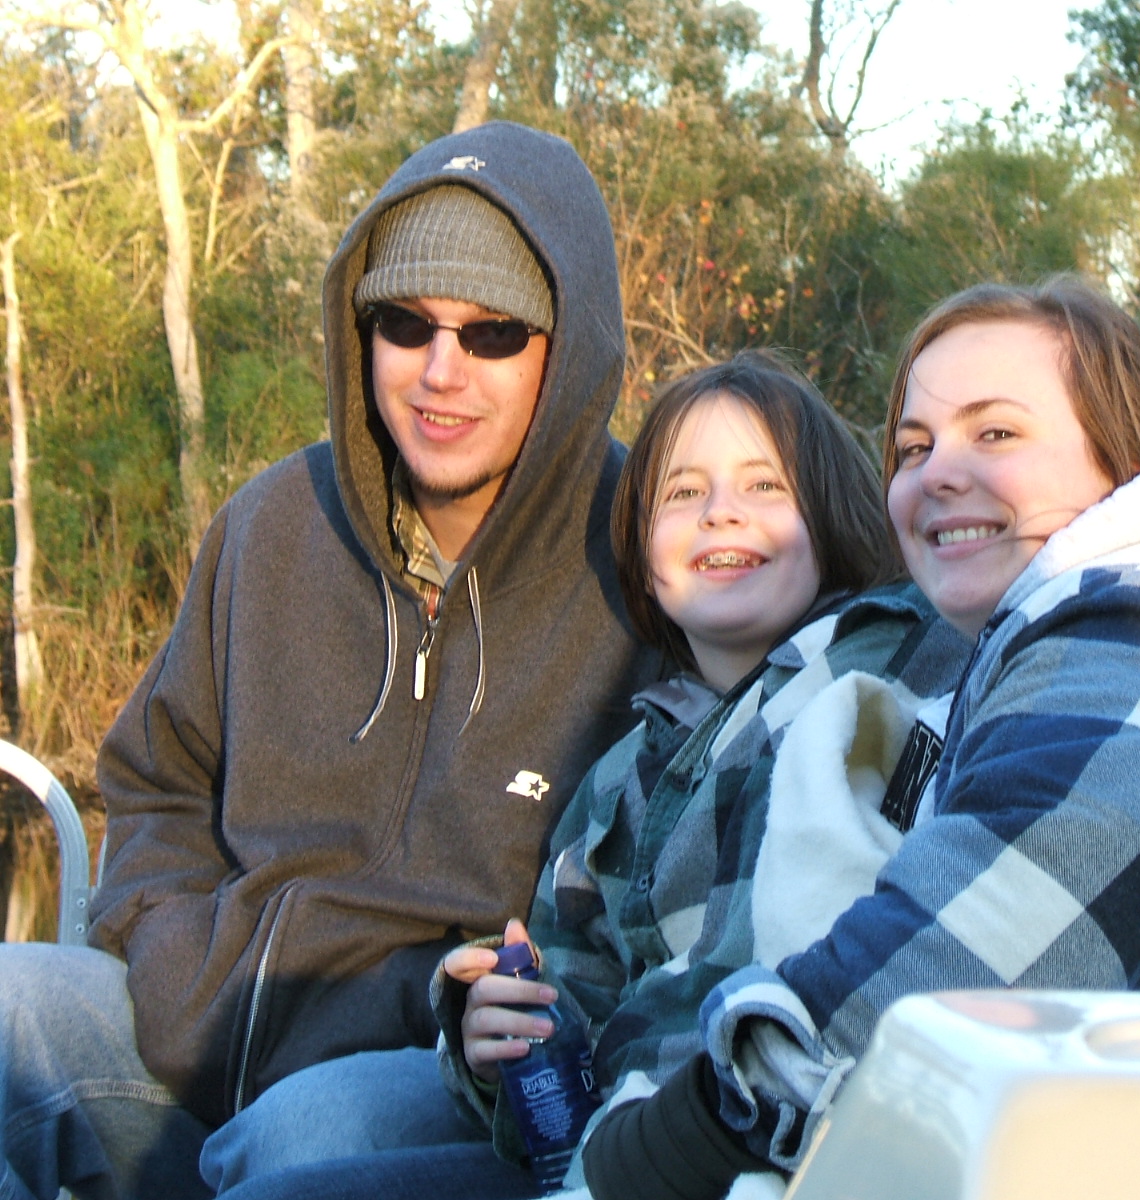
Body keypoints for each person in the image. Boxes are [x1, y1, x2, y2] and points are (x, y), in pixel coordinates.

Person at [211, 341, 1140, 1200]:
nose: (720, 516)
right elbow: (575, 987)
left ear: (837, 515)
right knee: (282, 1160)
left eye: (763, 487)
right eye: (681, 495)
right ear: (641, 550)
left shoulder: (913, 647)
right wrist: (489, 1041)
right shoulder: (621, 776)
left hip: (771, 1127)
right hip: (629, 1126)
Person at [572, 279, 1140, 1200]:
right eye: (913, 448)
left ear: (1123, 461)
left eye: (996, 432)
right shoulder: (1019, 647)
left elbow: (980, 948)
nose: (937, 472)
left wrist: (682, 1132)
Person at [0, 121, 658, 1200]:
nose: (440, 371)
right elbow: (157, 780)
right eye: (405, 323)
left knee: (309, 1138)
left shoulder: (646, 559)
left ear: (567, 349)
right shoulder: (268, 525)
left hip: (439, 1071)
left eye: (492, 333)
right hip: (205, 1026)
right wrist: (169, 958)